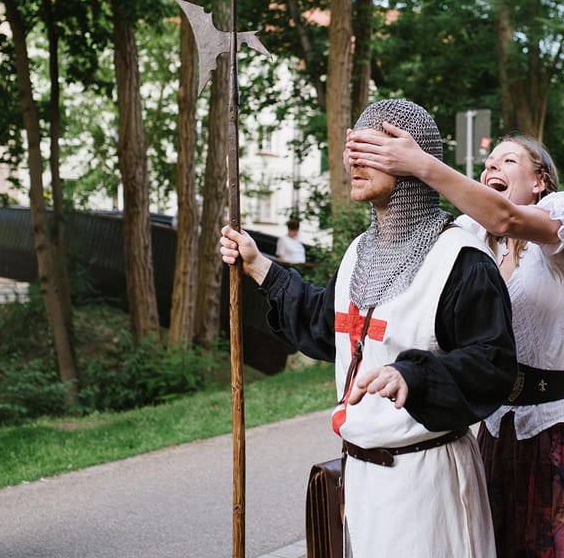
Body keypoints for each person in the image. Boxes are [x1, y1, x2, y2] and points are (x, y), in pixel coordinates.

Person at [220, 99, 517, 558]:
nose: (353, 157)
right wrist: (260, 267)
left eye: (372, 146)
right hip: (359, 478)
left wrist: (412, 375)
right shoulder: (360, 253)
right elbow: (328, 326)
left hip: (426, 481)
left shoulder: (460, 261)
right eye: (350, 146)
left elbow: (493, 364)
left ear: (412, 159)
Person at [346, 128, 564, 557]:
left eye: (508, 161)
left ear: (539, 179)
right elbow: (429, 236)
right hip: (498, 428)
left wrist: (420, 163)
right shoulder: (474, 238)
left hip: (563, 428)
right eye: (489, 163)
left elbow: (506, 216)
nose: (491, 167)